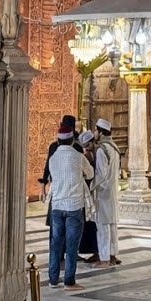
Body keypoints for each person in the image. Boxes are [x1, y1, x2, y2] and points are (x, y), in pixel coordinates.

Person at [46, 124, 93, 291]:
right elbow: (91, 174)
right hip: (73, 205)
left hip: (57, 205)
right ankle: (69, 281)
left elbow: (52, 177)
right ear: (73, 140)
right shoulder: (78, 156)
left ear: (58, 141)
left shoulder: (52, 158)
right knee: (72, 245)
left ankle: (52, 279)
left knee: (56, 243)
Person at [40, 114, 83, 230]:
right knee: (72, 235)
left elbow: (47, 168)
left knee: (56, 234)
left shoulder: (54, 147)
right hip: (74, 197)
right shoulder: (78, 149)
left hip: (57, 195)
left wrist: (43, 188)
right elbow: (86, 173)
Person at [91, 118, 122, 268]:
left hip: (103, 193)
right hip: (113, 191)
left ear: (101, 132)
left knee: (103, 226)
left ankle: (104, 259)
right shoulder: (115, 148)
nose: (94, 133)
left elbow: (100, 174)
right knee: (112, 225)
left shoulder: (102, 149)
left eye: (96, 130)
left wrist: (90, 186)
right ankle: (112, 255)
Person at [77, 131, 101, 263]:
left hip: (94, 193)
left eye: (87, 145)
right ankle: (92, 250)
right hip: (88, 194)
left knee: (93, 223)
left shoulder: (97, 153)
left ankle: (97, 252)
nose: (86, 148)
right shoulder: (90, 154)